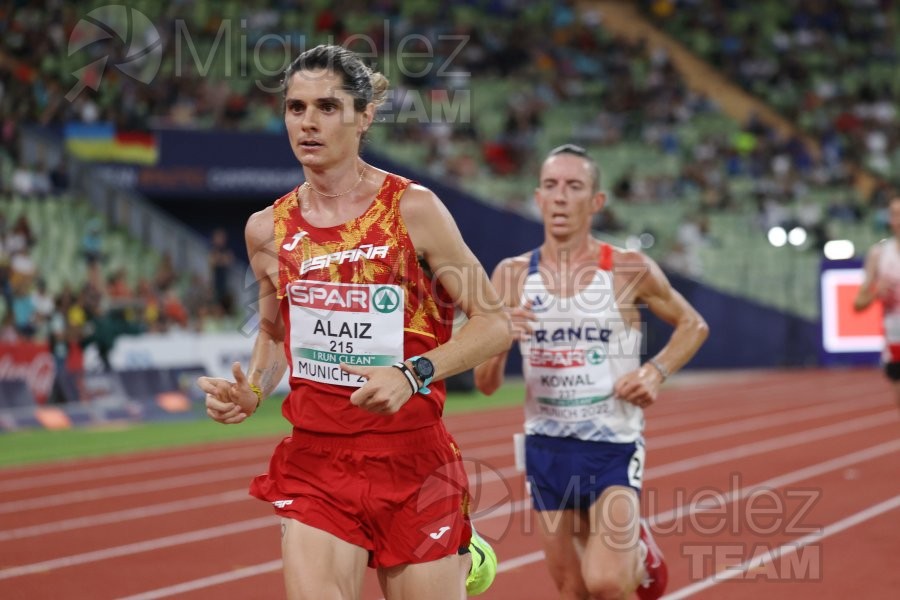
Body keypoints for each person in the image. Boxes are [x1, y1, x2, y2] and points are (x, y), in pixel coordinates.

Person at [197, 44, 506, 600]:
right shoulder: (266, 228)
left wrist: (413, 373)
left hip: (412, 459)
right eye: (295, 108)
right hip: (317, 458)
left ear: (364, 116)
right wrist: (253, 390)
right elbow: (273, 333)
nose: (308, 123)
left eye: (327, 107)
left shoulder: (414, 209)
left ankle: (464, 548)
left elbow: (493, 322)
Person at [474, 144, 709, 600]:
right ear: (538, 199)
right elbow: (485, 385)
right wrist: (502, 339)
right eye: (551, 186)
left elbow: (693, 325)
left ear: (596, 202)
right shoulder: (511, 275)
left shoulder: (627, 268)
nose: (560, 197)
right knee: (572, 588)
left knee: (605, 583)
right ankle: (632, 556)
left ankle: (638, 556)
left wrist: (655, 372)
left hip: (612, 447)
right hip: (545, 448)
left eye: (574, 186)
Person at [854, 195, 900, 412]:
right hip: (896, 338)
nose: (898, 219)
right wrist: (875, 292)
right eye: (894, 214)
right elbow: (858, 303)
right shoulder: (879, 254)